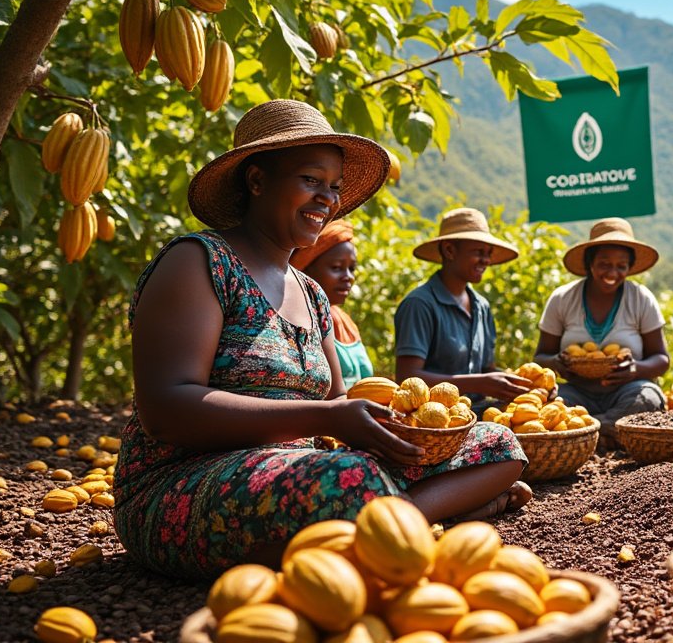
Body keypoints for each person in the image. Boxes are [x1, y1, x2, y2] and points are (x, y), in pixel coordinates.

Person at [114, 100, 529, 580]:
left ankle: (390, 526)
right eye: (310, 180)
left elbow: (338, 402)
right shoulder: (199, 261)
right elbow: (166, 410)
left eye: (333, 188)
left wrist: (400, 431)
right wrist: (327, 417)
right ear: (256, 181)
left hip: (299, 470)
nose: (326, 199)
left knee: (495, 443)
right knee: (353, 482)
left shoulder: (312, 294)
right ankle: (408, 523)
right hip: (184, 482)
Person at [533, 218, 670, 446]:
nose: (612, 272)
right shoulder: (562, 298)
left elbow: (662, 359)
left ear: (629, 268)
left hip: (627, 390)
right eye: (604, 263)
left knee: (648, 398)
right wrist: (558, 362)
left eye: (621, 265)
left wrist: (634, 370)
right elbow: (540, 357)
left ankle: (586, 431)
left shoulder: (641, 298)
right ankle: (614, 432)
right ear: (590, 263)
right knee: (550, 404)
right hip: (578, 393)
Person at [394, 208, 532, 415]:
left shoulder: (481, 306)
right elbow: (407, 377)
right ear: (449, 250)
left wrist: (527, 386)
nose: (486, 261)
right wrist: (478, 384)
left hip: (475, 411)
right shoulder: (420, 304)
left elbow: (487, 371)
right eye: (478, 252)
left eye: (488, 254)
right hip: (433, 418)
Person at [290, 219, 372, 388]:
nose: (348, 276)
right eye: (336, 267)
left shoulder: (346, 323)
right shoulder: (299, 321)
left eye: (352, 268)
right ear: (306, 270)